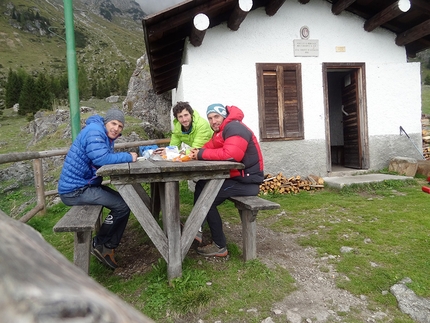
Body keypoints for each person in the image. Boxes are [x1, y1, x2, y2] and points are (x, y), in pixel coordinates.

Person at [58, 108, 138, 269]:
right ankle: (102, 244)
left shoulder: (100, 133)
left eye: (120, 126)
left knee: (124, 202)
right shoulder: (95, 131)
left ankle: (104, 243)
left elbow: (101, 157)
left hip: (84, 186)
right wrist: (129, 156)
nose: (116, 128)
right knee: (123, 206)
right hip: (75, 191)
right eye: (113, 123)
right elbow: (101, 158)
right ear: (105, 122)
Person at [189, 103, 264, 257]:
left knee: (207, 198)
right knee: (201, 184)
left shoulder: (235, 128)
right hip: (237, 179)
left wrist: (201, 155)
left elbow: (231, 155)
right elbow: (208, 147)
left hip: (247, 182)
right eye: (210, 118)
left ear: (223, 116)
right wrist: (194, 152)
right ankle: (197, 226)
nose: (213, 121)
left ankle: (219, 245)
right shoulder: (221, 132)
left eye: (216, 116)